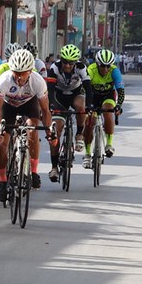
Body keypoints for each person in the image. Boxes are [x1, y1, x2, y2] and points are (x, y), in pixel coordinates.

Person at [0, 49, 52, 202]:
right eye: (16, 72)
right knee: (1, 143)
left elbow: (45, 109)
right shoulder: (4, 80)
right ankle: (3, 181)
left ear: (30, 71)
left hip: (28, 104)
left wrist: (50, 132)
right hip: (8, 107)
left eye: (22, 73)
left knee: (32, 131)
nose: (19, 76)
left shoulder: (38, 81)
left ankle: (34, 171)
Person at [45, 44, 92, 182]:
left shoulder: (82, 68)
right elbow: (51, 91)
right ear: (61, 60)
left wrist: (89, 106)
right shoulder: (54, 68)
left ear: (75, 62)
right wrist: (53, 106)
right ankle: (54, 167)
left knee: (81, 106)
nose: (67, 65)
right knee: (56, 131)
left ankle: (79, 134)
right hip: (59, 96)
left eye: (71, 63)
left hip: (75, 94)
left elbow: (88, 89)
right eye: (65, 62)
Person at [83, 49, 124, 168]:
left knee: (108, 112)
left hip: (108, 96)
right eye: (102, 66)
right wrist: (87, 106)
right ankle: (87, 153)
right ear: (97, 64)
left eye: (107, 66)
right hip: (93, 97)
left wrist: (119, 106)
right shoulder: (91, 70)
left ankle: (109, 144)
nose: (105, 70)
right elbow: (83, 88)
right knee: (89, 122)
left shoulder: (114, 71)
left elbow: (121, 90)